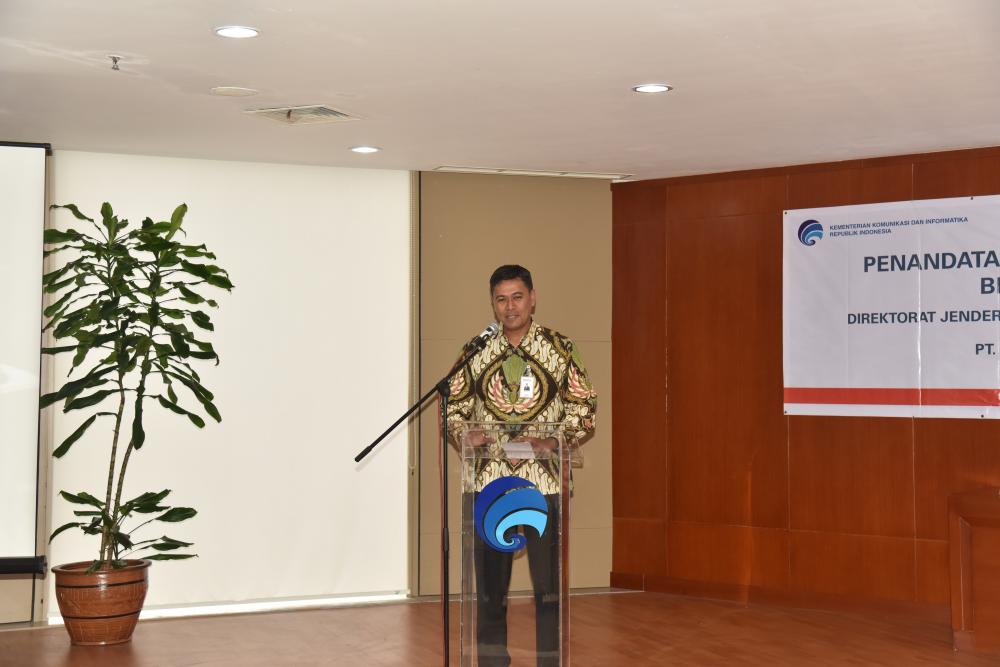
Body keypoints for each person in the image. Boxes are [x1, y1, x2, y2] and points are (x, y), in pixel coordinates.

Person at [447, 264, 597, 667]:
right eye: (501, 299)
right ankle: (493, 662)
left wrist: (551, 440)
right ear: (492, 304)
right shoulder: (475, 350)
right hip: (489, 483)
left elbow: (585, 409)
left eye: (517, 297)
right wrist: (464, 433)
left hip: (542, 484)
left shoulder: (559, 348)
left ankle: (549, 662)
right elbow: (453, 408)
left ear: (532, 298)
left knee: (547, 590)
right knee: (490, 592)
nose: (509, 307)